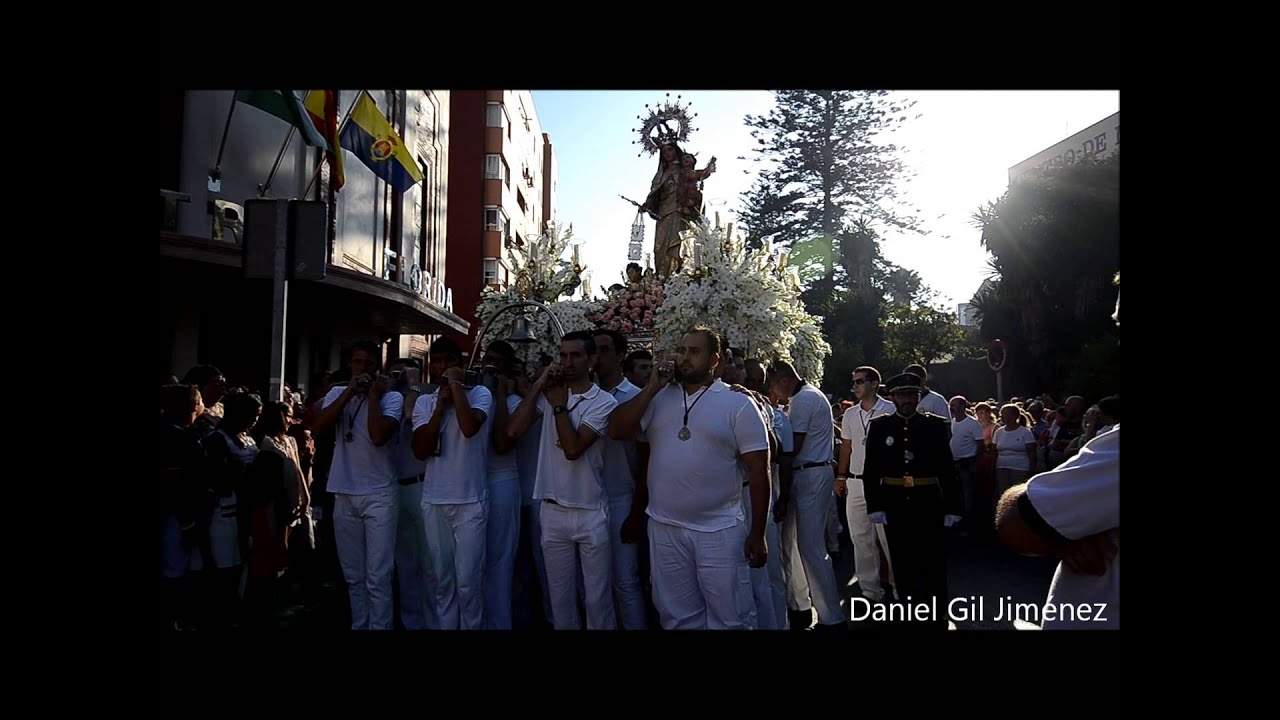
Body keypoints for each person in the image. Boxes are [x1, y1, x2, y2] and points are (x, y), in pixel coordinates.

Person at [863, 373, 961, 629]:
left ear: (918, 397)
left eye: (911, 395)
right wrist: (875, 504)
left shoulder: (934, 426)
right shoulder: (881, 426)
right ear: (893, 397)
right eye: (902, 395)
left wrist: (952, 506)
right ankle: (908, 608)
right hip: (894, 501)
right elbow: (871, 469)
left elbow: (947, 469)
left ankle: (937, 611)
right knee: (901, 559)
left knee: (932, 558)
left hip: (927, 500)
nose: (907, 400)